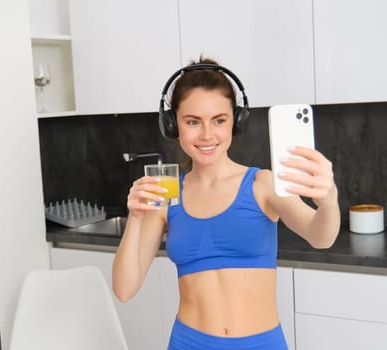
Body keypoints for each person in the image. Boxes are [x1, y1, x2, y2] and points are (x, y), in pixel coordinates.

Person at [112, 57, 340, 350]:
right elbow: (124, 289)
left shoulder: (262, 185)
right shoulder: (167, 195)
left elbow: (321, 237)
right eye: (192, 121)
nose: (207, 135)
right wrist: (135, 216)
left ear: (236, 121)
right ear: (173, 126)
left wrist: (329, 203)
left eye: (219, 120)